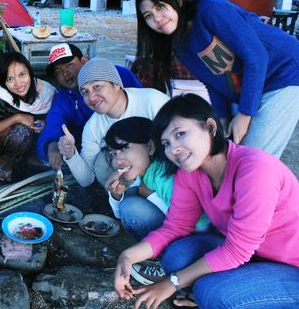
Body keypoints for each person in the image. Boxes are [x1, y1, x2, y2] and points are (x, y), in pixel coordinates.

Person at [114, 94, 299, 308]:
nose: (173, 149)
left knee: (213, 294)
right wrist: (126, 256)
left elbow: (237, 251)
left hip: (290, 264)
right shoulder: (190, 171)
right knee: (176, 257)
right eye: (166, 143)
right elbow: (176, 227)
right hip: (252, 254)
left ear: (210, 128)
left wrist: (172, 283)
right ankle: (231, 288)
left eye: (180, 134)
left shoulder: (256, 170)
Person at [135, 0, 299, 158]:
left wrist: (245, 115)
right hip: (243, 87)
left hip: (283, 73)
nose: (157, 18)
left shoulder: (210, 9)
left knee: (253, 157)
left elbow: (256, 57)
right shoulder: (178, 44)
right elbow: (212, 81)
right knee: (230, 150)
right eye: (148, 16)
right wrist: (222, 117)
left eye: (159, 6)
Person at [104, 116, 210, 286]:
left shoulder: (164, 174)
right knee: (128, 201)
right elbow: (120, 214)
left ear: (150, 147)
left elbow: (194, 224)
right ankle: (157, 255)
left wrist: (150, 196)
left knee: (132, 206)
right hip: (179, 233)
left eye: (124, 148)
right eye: (113, 153)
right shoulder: (144, 173)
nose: (118, 160)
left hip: (198, 238)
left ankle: (164, 264)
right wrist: (115, 195)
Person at [58, 58, 169, 188]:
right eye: (85, 92)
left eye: (97, 87)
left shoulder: (153, 101)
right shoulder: (93, 127)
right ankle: (122, 197)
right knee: (102, 163)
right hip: (132, 184)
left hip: (168, 176)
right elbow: (87, 179)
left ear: (116, 84)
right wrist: (71, 154)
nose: (92, 97)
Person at [36, 43, 142, 170]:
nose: (65, 73)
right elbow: (51, 129)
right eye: (58, 72)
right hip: (99, 155)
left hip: (137, 140)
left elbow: (141, 101)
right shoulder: (63, 101)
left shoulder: (118, 74)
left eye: (69, 65)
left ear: (84, 60)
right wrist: (51, 146)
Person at [0, 51, 56, 181]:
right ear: (3, 82)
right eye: (10, 79)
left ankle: (28, 158)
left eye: (22, 75)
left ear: (30, 73)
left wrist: (45, 123)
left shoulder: (45, 91)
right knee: (22, 131)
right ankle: (6, 160)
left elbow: (55, 117)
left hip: (31, 141)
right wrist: (17, 118)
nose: (18, 83)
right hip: (2, 141)